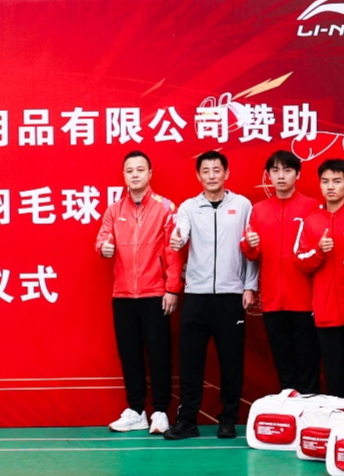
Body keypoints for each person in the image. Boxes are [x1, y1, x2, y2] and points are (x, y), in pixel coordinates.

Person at [167, 151, 258, 440]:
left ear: (226, 173)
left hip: (231, 296)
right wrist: (178, 237)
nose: (211, 176)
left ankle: (228, 419)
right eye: (205, 171)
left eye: (216, 170)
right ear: (198, 176)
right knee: (190, 361)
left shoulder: (242, 205)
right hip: (197, 295)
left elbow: (250, 246)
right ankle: (187, 420)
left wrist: (249, 286)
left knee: (231, 361)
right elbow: (181, 230)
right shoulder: (189, 207)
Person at [96, 151, 183, 435]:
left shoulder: (165, 208)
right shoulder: (114, 210)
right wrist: (103, 247)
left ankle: (160, 411)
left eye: (140, 170)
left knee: (159, 354)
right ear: (123, 175)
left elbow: (173, 251)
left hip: (155, 292)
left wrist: (172, 289)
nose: (135, 175)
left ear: (150, 173)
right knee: (130, 354)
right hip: (123, 295)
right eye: (129, 170)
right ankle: (136, 411)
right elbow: (102, 239)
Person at [244, 151, 320, 395]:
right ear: (268, 175)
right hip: (273, 300)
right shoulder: (259, 210)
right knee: (283, 363)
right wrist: (249, 244)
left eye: (287, 170)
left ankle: (310, 411)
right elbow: (252, 253)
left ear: (297, 174)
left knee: (308, 362)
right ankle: (288, 410)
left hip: (305, 299)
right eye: (275, 171)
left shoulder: (312, 207)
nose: (281, 176)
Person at [297, 158, 344, 403]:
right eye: (325, 181)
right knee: (334, 374)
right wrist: (319, 251)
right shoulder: (310, 221)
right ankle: (340, 419)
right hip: (326, 310)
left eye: (337, 181)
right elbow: (301, 261)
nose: (331, 186)